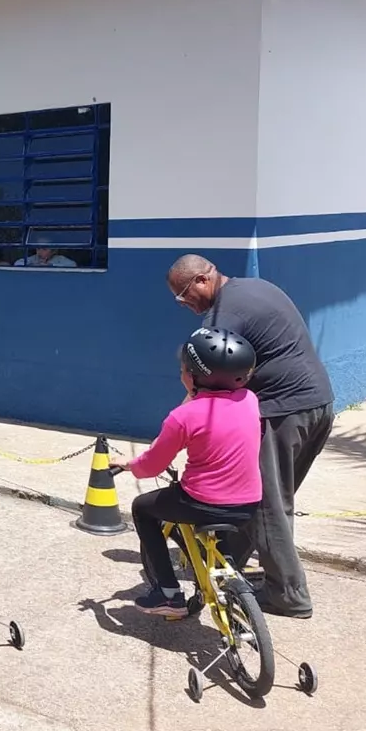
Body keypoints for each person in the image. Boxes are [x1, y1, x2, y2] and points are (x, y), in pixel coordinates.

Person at [167, 254, 332, 619]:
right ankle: (229, 565)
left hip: (282, 412)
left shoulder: (223, 318)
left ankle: (289, 595)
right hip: (318, 405)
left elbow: (204, 384)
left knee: (262, 504)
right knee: (272, 500)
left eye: (182, 296)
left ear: (200, 281)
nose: (184, 305)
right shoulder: (256, 287)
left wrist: (176, 427)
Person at [110, 327, 263, 618]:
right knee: (220, 518)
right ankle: (228, 572)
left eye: (183, 369)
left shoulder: (183, 417)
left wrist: (129, 464)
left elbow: (151, 465)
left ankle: (168, 594)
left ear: (192, 376)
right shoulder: (249, 401)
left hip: (201, 501)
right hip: (248, 502)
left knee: (143, 509)